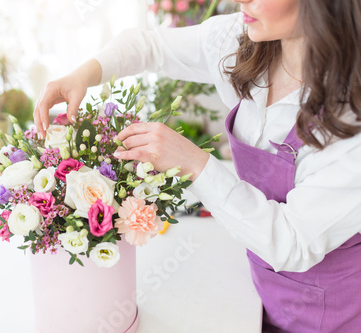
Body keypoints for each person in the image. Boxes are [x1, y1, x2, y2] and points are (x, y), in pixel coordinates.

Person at [33, 0, 361, 332]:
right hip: (258, 294)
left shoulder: (352, 124)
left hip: (328, 316)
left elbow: (291, 243)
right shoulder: (244, 39)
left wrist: (193, 163)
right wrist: (83, 75)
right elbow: (150, 46)